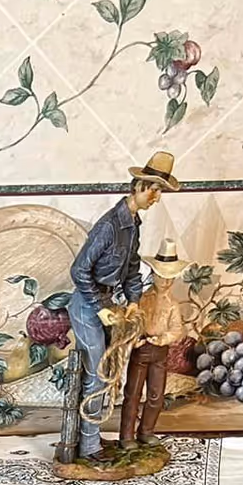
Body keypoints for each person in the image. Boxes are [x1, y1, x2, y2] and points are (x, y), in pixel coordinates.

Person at [66, 151, 181, 459]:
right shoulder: (109, 226)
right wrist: (100, 306)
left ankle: (91, 440)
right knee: (99, 372)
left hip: (107, 303)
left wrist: (132, 301)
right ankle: (88, 446)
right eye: (153, 190)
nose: (157, 197)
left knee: (109, 370)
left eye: (160, 191)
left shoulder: (132, 224)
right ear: (138, 187)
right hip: (87, 306)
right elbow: (79, 271)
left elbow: (130, 268)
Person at [119, 239, 194, 446]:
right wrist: (133, 339)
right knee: (132, 394)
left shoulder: (173, 305)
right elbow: (131, 322)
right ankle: (126, 436)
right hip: (141, 349)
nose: (166, 282)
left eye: (170, 278)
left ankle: (146, 431)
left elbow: (178, 329)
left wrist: (163, 339)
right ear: (153, 275)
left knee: (155, 396)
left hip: (160, 352)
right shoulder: (142, 299)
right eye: (161, 277)